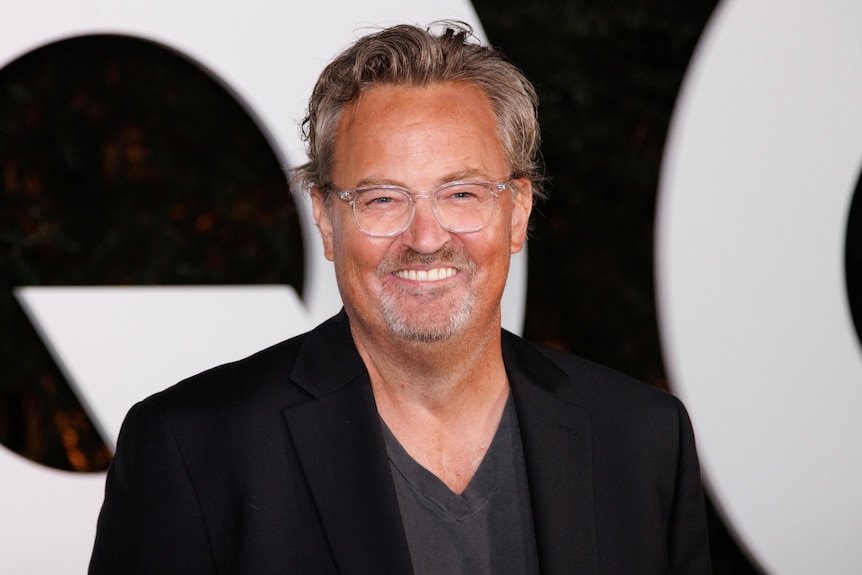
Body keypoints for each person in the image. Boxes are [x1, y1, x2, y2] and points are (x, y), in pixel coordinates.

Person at [89, 22, 711, 574]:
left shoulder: (642, 441)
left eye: (462, 194)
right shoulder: (194, 449)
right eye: (382, 198)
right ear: (327, 221)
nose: (426, 237)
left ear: (517, 212)